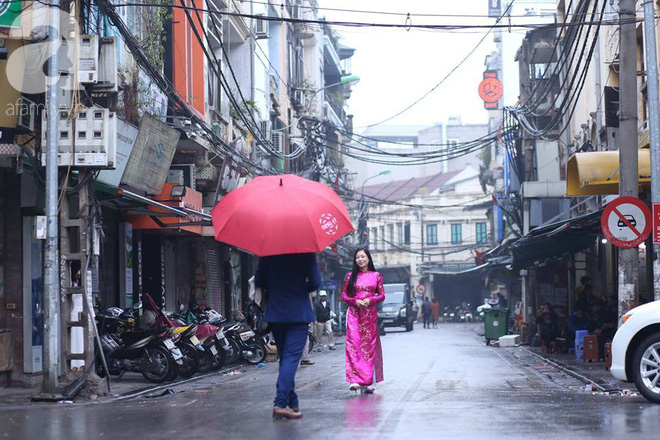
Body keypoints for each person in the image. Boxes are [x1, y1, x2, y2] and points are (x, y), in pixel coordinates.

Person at [255, 253, 321, 420]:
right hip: (298, 313)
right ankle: (280, 403)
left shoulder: (268, 253)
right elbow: (315, 283)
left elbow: (259, 281)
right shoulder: (306, 253)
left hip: (276, 313)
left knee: (286, 360)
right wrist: (299, 286)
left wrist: (277, 286)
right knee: (291, 359)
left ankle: (293, 402)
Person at [341, 248, 385, 394]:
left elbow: (382, 295)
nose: (360, 259)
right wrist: (355, 302)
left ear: (368, 259)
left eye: (363, 257)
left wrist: (370, 300)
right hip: (354, 313)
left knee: (368, 347)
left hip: (370, 315)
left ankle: (368, 382)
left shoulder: (376, 275)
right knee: (354, 345)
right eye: (357, 257)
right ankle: (354, 380)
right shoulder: (349, 276)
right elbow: (344, 296)